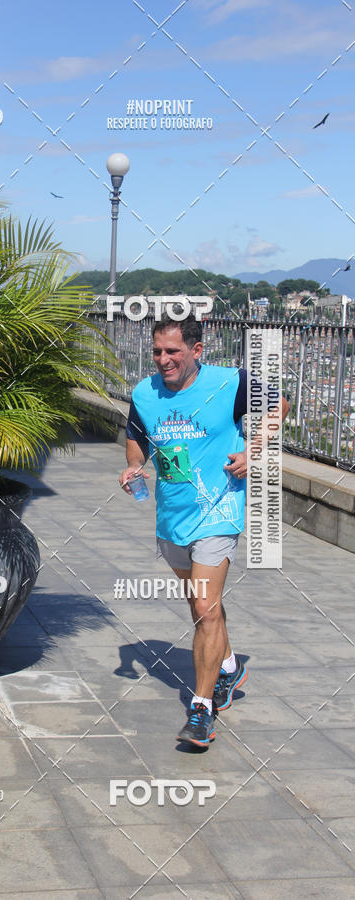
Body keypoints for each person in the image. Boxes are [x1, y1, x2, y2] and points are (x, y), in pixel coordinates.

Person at [119, 312, 289, 748]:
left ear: (196, 351)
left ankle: (201, 710)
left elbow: (279, 404)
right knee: (200, 607)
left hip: (220, 512)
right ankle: (229, 665)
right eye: (157, 351)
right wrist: (134, 467)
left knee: (205, 608)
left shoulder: (229, 381)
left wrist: (253, 450)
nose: (163, 360)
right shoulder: (145, 392)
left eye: (172, 351)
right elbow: (136, 436)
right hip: (172, 518)